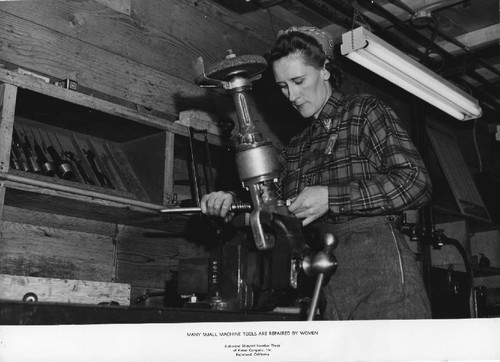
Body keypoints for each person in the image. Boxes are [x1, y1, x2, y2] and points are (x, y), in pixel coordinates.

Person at [200, 26, 432, 320]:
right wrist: (229, 200)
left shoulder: (363, 111)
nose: (292, 95)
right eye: (283, 86)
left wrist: (330, 198)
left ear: (324, 70)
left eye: (298, 80)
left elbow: (416, 182)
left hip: (378, 270)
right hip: (322, 279)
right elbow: (273, 206)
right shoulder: (297, 146)